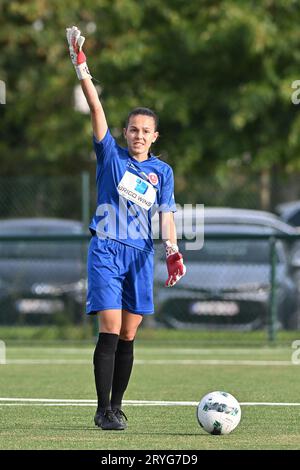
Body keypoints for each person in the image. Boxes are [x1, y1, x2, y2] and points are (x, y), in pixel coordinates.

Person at [66, 26, 186, 430]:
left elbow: (166, 213)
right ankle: (102, 411)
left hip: (139, 254)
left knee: (130, 335)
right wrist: (81, 66)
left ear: (154, 137)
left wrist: (171, 250)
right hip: (106, 249)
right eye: (132, 128)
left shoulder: (162, 171)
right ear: (125, 132)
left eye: (145, 131)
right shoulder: (110, 156)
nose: (138, 135)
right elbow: (96, 110)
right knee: (111, 328)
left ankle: (117, 406)